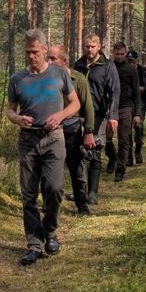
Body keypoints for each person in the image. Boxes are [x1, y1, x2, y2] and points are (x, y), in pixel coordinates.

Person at [5, 29, 81, 266]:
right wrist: (17, 119)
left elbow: (75, 103)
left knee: (54, 188)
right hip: (28, 141)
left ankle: (50, 231)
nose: (31, 57)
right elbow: (9, 109)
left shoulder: (59, 74)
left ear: (45, 50)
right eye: (28, 52)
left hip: (54, 138)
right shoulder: (17, 79)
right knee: (28, 195)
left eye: (35, 52)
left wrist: (60, 116)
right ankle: (34, 244)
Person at [48, 44, 98, 216]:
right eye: (48, 58)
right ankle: (50, 205)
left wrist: (89, 132)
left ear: (64, 60)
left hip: (72, 129)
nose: (49, 62)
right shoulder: (45, 79)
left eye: (53, 58)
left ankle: (82, 205)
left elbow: (88, 107)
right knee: (50, 170)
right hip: (51, 131)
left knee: (77, 169)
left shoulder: (78, 79)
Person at [73, 34, 119, 205]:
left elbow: (115, 91)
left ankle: (92, 192)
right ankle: (80, 190)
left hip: (99, 114)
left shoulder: (108, 66)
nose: (89, 49)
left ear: (99, 47)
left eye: (92, 46)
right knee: (78, 152)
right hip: (78, 113)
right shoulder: (78, 65)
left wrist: (113, 116)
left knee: (94, 150)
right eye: (87, 46)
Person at [109, 42, 143, 182]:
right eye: (117, 54)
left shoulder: (131, 70)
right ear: (113, 53)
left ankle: (120, 169)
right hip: (110, 108)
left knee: (124, 139)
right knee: (106, 139)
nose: (119, 56)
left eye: (122, 54)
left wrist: (137, 114)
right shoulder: (108, 67)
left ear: (125, 52)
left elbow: (136, 93)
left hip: (126, 107)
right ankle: (112, 157)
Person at [126, 49, 146, 166]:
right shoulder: (122, 70)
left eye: (132, 61)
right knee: (126, 131)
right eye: (129, 61)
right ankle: (128, 156)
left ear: (137, 61)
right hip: (126, 103)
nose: (131, 64)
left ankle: (138, 151)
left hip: (140, 103)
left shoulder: (143, 71)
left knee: (138, 127)